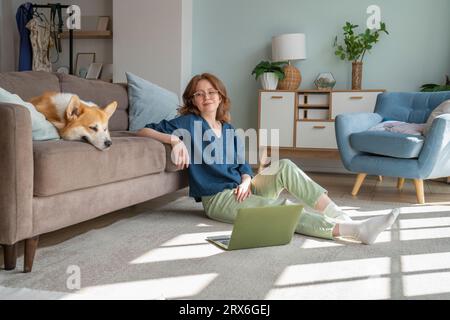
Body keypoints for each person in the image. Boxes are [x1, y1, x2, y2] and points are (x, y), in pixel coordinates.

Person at [136, 73, 399, 245]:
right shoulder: (187, 122)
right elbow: (143, 129)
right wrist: (175, 140)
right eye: (199, 93)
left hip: (241, 188)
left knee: (283, 165)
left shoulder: (228, 128)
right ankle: (352, 231)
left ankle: (340, 214)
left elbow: (241, 164)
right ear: (192, 100)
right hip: (218, 199)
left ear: (221, 96)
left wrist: (247, 179)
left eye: (212, 92)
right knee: (280, 208)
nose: (206, 97)